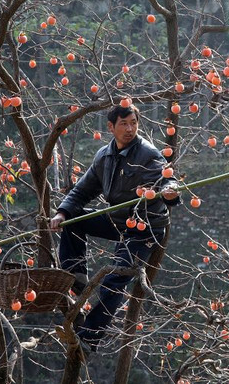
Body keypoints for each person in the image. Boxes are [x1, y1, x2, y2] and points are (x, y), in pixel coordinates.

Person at [50, 104, 179, 352]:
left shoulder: (148, 154)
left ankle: (89, 337)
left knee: (114, 280)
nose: (130, 129)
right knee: (72, 218)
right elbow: (82, 191)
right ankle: (76, 275)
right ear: (111, 127)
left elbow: (166, 180)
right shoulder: (104, 156)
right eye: (124, 124)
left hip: (144, 228)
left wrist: (169, 192)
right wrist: (61, 213)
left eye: (133, 123)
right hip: (120, 220)